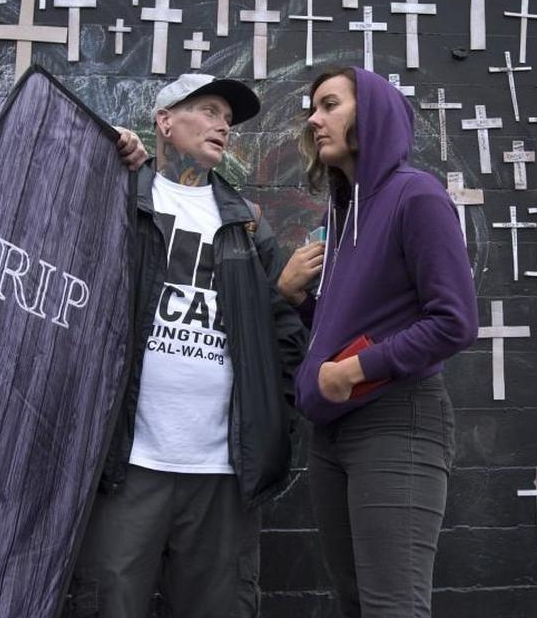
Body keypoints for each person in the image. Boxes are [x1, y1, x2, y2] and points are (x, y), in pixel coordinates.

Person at [70, 73, 306, 618]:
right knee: (108, 605)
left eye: (228, 118)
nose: (223, 124)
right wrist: (99, 149)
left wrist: (274, 423)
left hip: (222, 473)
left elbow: (281, 336)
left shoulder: (245, 225)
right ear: (165, 121)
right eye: (209, 110)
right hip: (127, 464)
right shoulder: (119, 196)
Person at [277, 66, 478, 618]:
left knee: (392, 607)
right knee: (356, 604)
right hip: (332, 432)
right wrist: (299, 301)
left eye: (330, 105)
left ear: (373, 114)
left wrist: (355, 371)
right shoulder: (342, 215)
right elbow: (352, 325)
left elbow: (455, 321)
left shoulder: (417, 195)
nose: (314, 119)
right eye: (312, 108)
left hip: (397, 421)